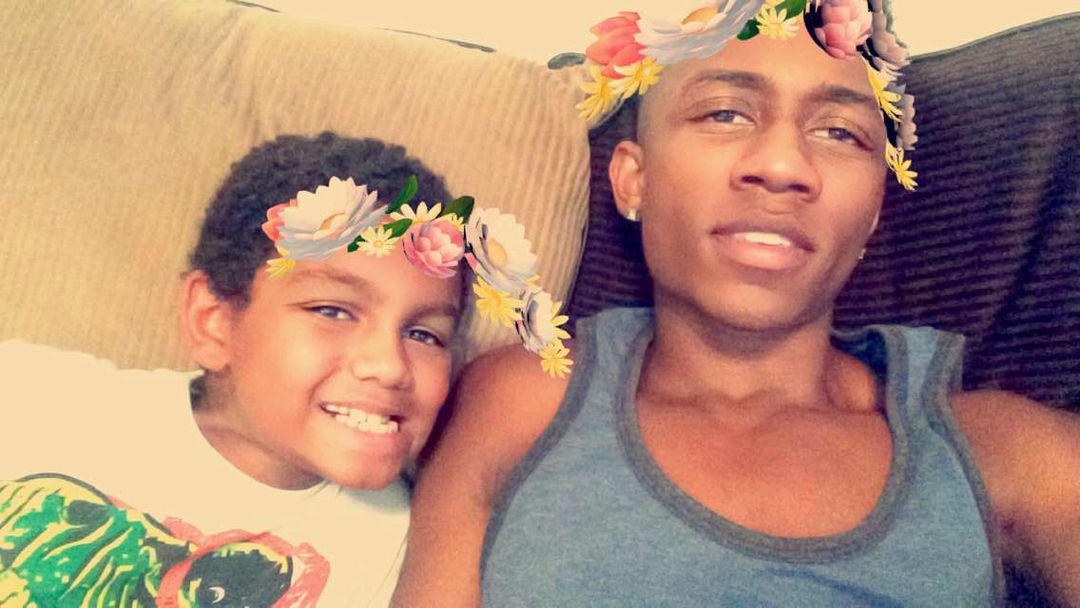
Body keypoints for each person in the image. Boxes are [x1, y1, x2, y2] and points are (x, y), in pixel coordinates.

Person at [393, 2, 1080, 606]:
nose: (781, 167)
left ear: (874, 210)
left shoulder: (1002, 454)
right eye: (724, 113)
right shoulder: (519, 402)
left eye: (839, 133)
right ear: (633, 181)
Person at [0, 132, 550, 607]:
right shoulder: (38, 396)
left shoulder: (409, 557)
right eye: (332, 311)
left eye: (424, 335)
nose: (388, 366)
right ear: (213, 321)